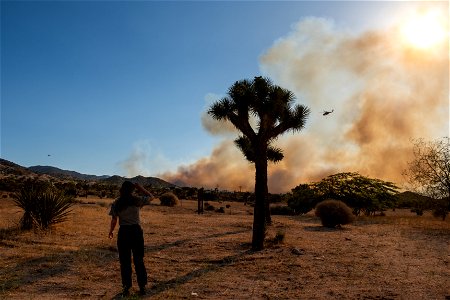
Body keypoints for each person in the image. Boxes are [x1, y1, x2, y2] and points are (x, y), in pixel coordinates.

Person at [108, 181, 155, 296]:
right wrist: (141, 188)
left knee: (125, 262)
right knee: (139, 259)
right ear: (132, 190)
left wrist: (111, 231)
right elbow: (151, 197)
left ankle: (126, 288)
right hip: (136, 231)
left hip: (124, 232)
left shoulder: (117, 202)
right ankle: (142, 287)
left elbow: (114, 220)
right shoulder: (137, 200)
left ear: (122, 189)